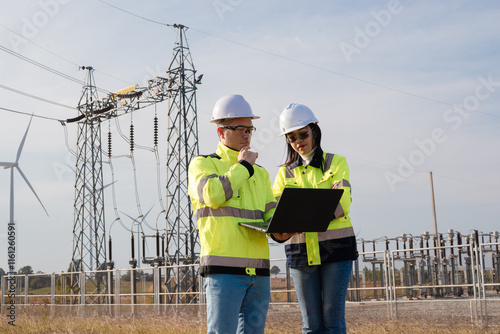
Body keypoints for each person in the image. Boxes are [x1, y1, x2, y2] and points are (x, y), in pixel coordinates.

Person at [188, 94, 290, 334]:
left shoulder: (262, 173)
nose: (247, 134)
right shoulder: (203, 164)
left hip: (260, 273)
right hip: (224, 272)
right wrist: (243, 166)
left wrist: (283, 230)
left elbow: (270, 215)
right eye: (241, 129)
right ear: (221, 132)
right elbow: (213, 194)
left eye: (250, 129)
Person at [272, 103, 358, 334]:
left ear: (314, 131)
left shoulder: (336, 163)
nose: (299, 141)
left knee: (333, 321)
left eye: (303, 134)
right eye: (291, 137)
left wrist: (299, 215)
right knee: (310, 325)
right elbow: (276, 213)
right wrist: (317, 208)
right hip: (301, 253)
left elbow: (342, 202)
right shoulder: (284, 173)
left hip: (336, 249)